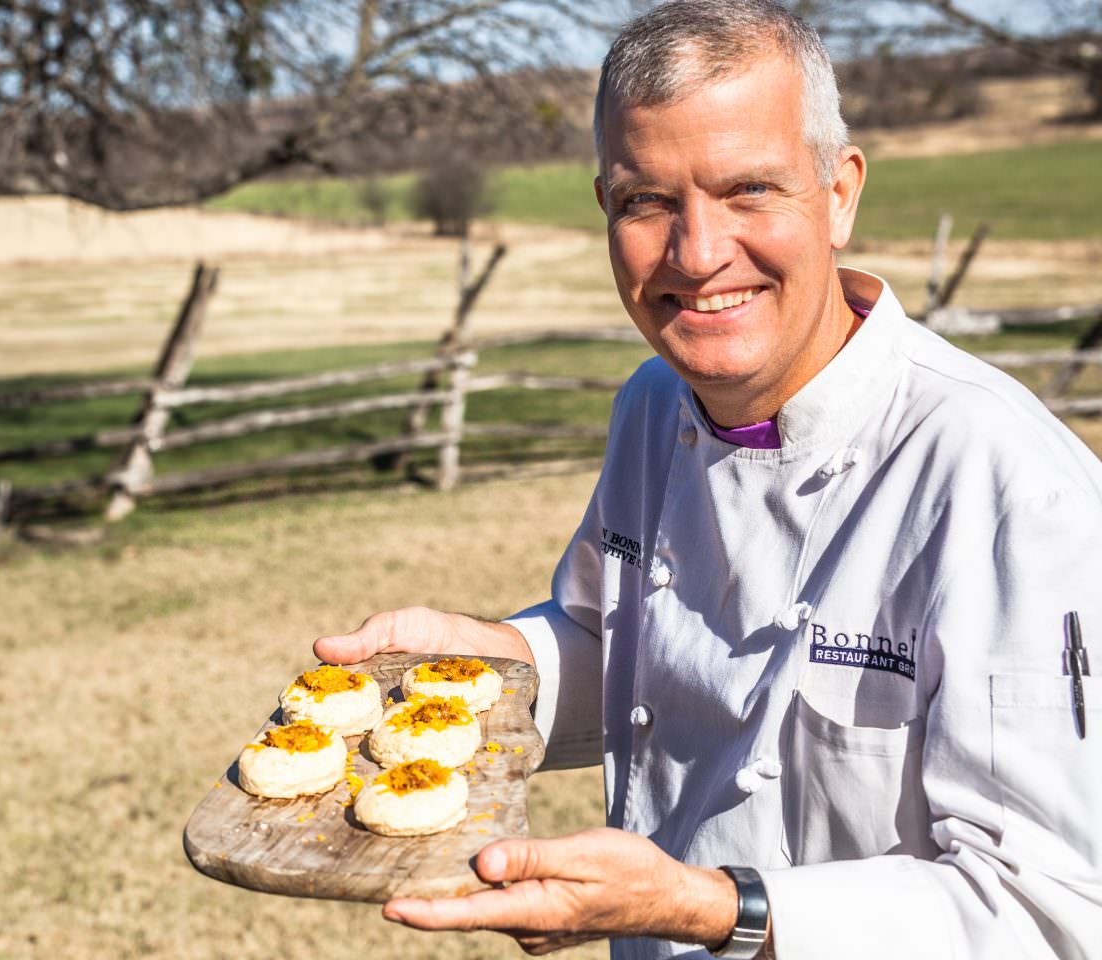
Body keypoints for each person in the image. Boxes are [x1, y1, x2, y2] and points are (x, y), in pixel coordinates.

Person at [313, 2, 1102, 958]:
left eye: (748, 190)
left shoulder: (1005, 481)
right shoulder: (654, 406)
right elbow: (639, 659)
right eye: (648, 202)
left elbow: (1054, 913)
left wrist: (711, 909)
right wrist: (484, 666)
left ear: (840, 193)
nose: (697, 253)